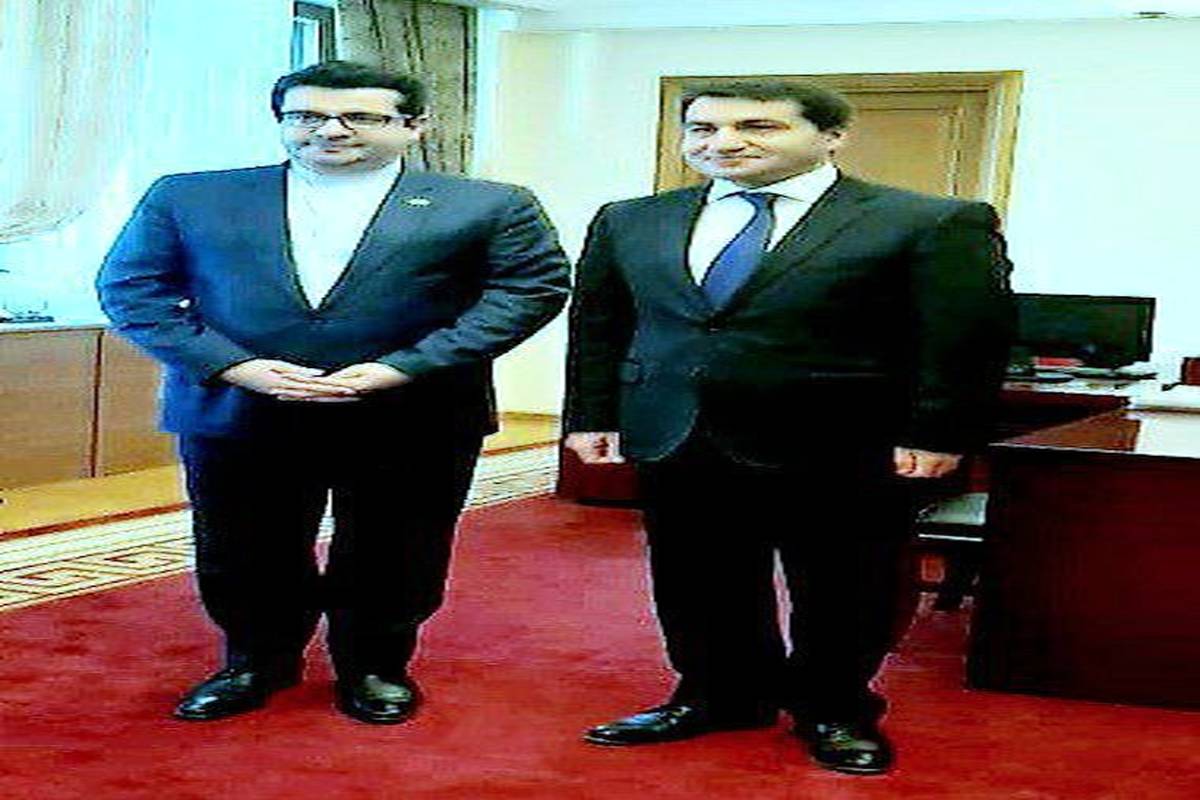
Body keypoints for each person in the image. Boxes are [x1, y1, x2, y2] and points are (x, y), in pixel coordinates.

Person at [98, 61, 569, 724]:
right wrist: (232, 366)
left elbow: (531, 290)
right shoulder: (189, 196)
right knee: (242, 546)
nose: (330, 130)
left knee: (396, 547)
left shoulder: (490, 204)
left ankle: (374, 665)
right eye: (307, 116)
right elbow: (130, 289)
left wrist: (408, 366)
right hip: (241, 406)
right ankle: (254, 662)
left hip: (413, 409)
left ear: (413, 126)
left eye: (361, 117)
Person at [563, 81, 1012, 774]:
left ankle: (834, 707)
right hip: (679, 429)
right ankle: (718, 694)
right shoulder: (632, 219)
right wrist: (592, 414)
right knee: (696, 578)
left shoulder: (926, 220)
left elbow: (963, 338)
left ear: (832, 136)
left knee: (843, 583)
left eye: (758, 126)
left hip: (843, 439)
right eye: (703, 129)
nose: (724, 142)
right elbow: (600, 323)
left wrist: (939, 432)